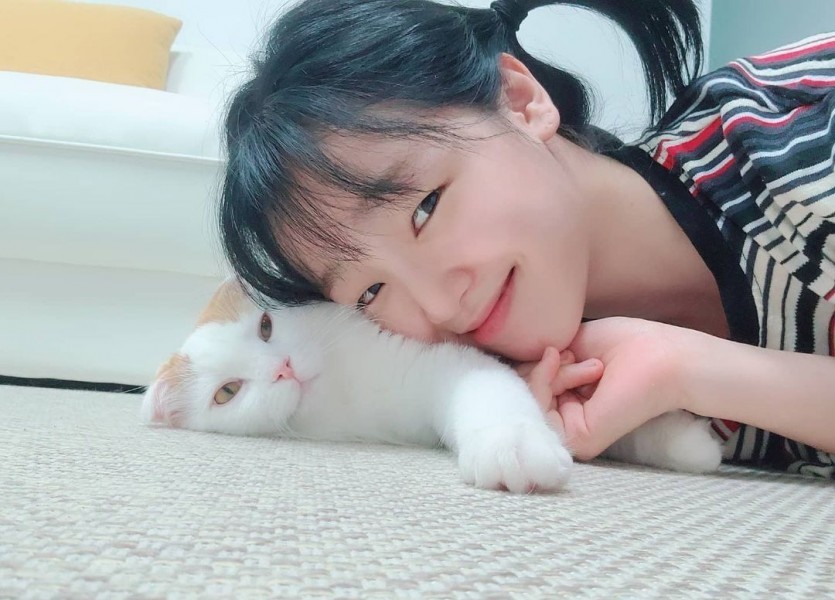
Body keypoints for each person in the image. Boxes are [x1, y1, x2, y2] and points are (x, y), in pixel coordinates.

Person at [218, 0, 835, 477]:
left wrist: (699, 371)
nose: (439, 305)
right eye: (370, 292)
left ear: (520, 101)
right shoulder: (565, 391)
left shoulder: (792, 129)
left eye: (426, 208)